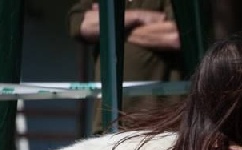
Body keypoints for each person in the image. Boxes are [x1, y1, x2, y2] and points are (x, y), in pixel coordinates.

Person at [68, 0, 182, 132]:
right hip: (109, 122)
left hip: (159, 124)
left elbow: (175, 35)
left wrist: (109, 28)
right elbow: (80, 24)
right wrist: (140, 16)